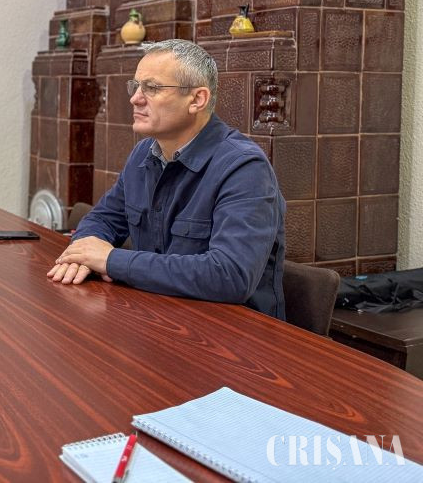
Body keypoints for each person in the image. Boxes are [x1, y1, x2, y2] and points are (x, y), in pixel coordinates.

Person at [48, 39, 285, 319]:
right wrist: (83, 254)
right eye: (136, 86)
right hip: (160, 316)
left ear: (197, 100)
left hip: (234, 333)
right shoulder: (143, 154)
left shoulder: (244, 168)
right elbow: (103, 219)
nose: (135, 98)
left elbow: (230, 275)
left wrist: (111, 260)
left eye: (152, 88)